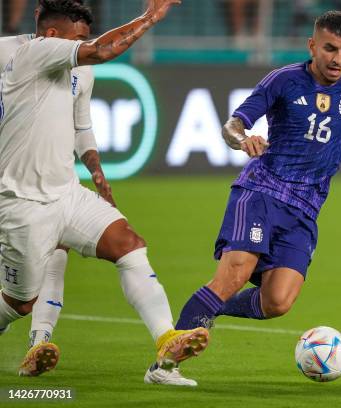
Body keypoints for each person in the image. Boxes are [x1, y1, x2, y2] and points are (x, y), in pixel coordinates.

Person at [0, 0, 208, 381]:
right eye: (78, 39)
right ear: (52, 37)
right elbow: (102, 49)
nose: (86, 45)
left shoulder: (80, 72)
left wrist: (96, 172)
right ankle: (33, 331)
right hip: (23, 203)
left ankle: (165, 347)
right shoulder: (29, 54)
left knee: (128, 244)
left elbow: (81, 125)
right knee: (19, 302)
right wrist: (149, 17)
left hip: (66, 192)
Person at [167, 10, 341, 359]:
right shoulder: (283, 80)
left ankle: (211, 308)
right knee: (234, 275)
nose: (338, 59)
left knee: (277, 302)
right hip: (261, 192)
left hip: (305, 209)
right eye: (330, 48)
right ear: (312, 45)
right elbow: (232, 124)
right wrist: (243, 141)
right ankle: (166, 360)